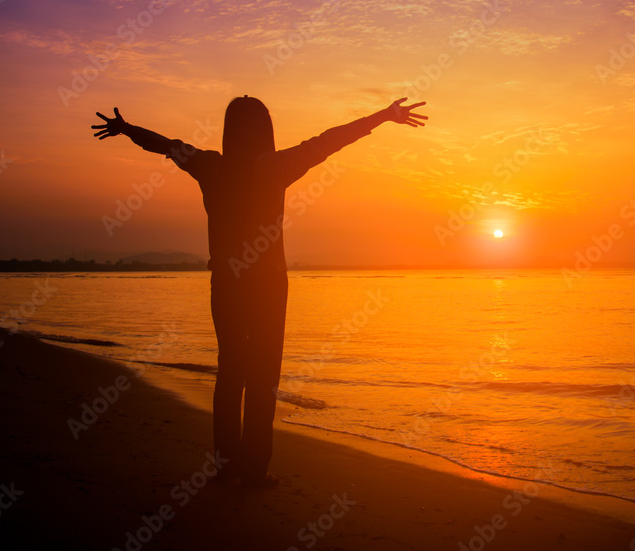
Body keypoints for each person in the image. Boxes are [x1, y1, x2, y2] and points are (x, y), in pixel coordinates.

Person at [92, 96, 427, 487]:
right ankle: (253, 470)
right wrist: (384, 116)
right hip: (268, 284)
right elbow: (330, 140)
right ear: (265, 131)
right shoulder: (274, 166)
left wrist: (127, 129)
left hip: (227, 282)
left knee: (231, 371)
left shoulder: (210, 165)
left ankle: (226, 465)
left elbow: (165, 144)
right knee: (263, 374)